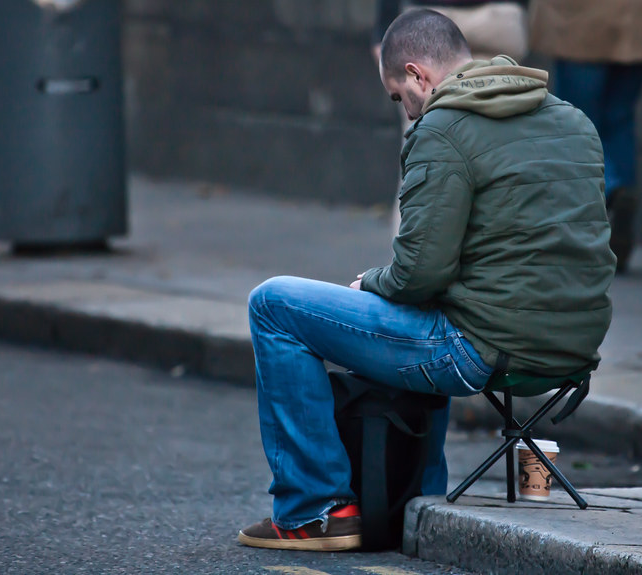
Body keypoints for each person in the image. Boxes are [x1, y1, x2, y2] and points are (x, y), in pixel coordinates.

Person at [238, 9, 615, 551]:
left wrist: (368, 283)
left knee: (272, 304)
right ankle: (420, 491)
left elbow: (419, 274)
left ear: (417, 75)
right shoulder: (571, 120)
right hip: (573, 348)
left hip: (484, 349)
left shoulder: (443, 127)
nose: (405, 109)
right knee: (427, 305)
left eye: (398, 96)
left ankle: (312, 510)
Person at [529, 0, 642, 273]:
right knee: (620, 117)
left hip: (582, 20)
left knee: (578, 121)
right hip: (638, 18)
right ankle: (621, 191)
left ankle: (612, 187)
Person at [373, 0, 530, 235]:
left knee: (420, 163)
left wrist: (383, 28)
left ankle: (409, 257)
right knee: (498, 154)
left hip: (424, 19)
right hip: (498, 17)